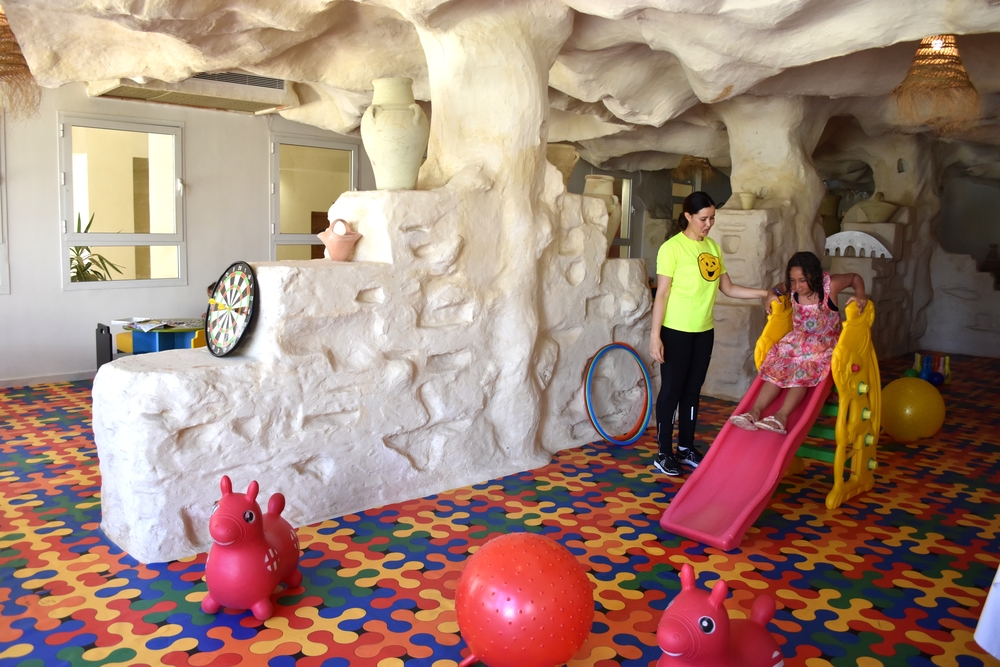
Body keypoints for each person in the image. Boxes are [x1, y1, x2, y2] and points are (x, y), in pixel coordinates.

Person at [649, 191, 772, 476]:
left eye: (712, 218)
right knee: (672, 391)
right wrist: (655, 335)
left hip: (703, 331)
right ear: (688, 216)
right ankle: (664, 452)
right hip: (676, 330)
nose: (709, 224)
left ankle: (685, 447)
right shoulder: (672, 248)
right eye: (703, 218)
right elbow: (662, 294)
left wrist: (765, 293)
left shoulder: (713, 248)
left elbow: (728, 288)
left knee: (693, 391)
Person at [729, 251, 867, 434]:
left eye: (802, 280)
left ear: (814, 276)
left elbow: (855, 278)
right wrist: (771, 294)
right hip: (797, 341)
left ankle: (781, 416)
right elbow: (778, 288)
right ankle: (754, 412)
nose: (797, 286)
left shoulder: (830, 285)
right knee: (777, 368)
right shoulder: (792, 288)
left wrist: (860, 295)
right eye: (793, 281)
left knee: (801, 370)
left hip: (823, 344)